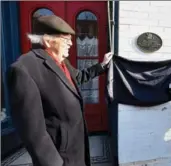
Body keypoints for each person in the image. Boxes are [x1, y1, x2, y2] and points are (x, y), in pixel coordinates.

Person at [7, 15, 113, 166]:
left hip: (76, 151)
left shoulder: (62, 62)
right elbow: (33, 132)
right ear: (47, 40)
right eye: (65, 39)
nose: (71, 43)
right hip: (59, 158)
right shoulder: (24, 69)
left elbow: (79, 77)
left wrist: (102, 65)